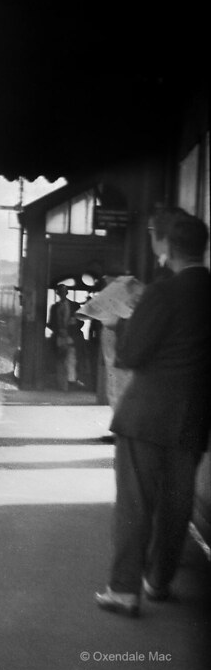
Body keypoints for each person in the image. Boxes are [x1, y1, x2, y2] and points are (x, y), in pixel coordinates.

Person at [95, 211, 211, 616]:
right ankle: (159, 581)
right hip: (195, 416)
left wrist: (113, 324)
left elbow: (131, 356)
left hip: (146, 415)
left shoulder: (161, 293)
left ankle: (125, 590)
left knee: (135, 503)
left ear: (165, 247)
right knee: (178, 504)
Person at [47, 284, 81, 390]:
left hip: (71, 336)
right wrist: (58, 331)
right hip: (59, 337)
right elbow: (50, 323)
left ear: (67, 293)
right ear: (57, 294)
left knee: (71, 359)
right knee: (60, 359)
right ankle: (61, 384)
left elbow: (81, 322)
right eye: (60, 292)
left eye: (64, 292)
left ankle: (71, 382)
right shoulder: (54, 307)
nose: (62, 294)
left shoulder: (75, 306)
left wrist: (73, 325)